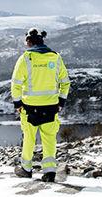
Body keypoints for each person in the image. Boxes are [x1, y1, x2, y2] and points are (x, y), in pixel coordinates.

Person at [10, 28, 71, 182]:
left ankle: (26, 168)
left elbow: (16, 84)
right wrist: (61, 102)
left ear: (29, 41)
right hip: (51, 107)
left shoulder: (26, 58)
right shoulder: (56, 58)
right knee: (50, 139)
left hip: (29, 107)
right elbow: (65, 82)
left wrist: (18, 103)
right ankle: (50, 171)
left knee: (29, 138)